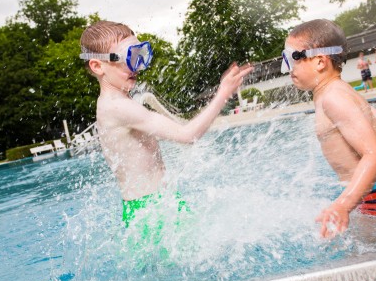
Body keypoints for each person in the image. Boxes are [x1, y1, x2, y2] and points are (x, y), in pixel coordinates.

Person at [79, 20, 253, 228]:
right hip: (150, 211)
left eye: (139, 55)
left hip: (155, 205)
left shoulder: (118, 103)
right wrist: (223, 94)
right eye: (129, 58)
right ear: (98, 65)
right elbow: (187, 136)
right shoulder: (117, 107)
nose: (137, 66)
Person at [281, 19, 376, 238]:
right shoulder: (344, 91)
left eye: (293, 59)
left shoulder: (332, 98)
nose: (289, 69)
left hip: (371, 200)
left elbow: (374, 154)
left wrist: (344, 204)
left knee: (368, 264)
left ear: (320, 62)